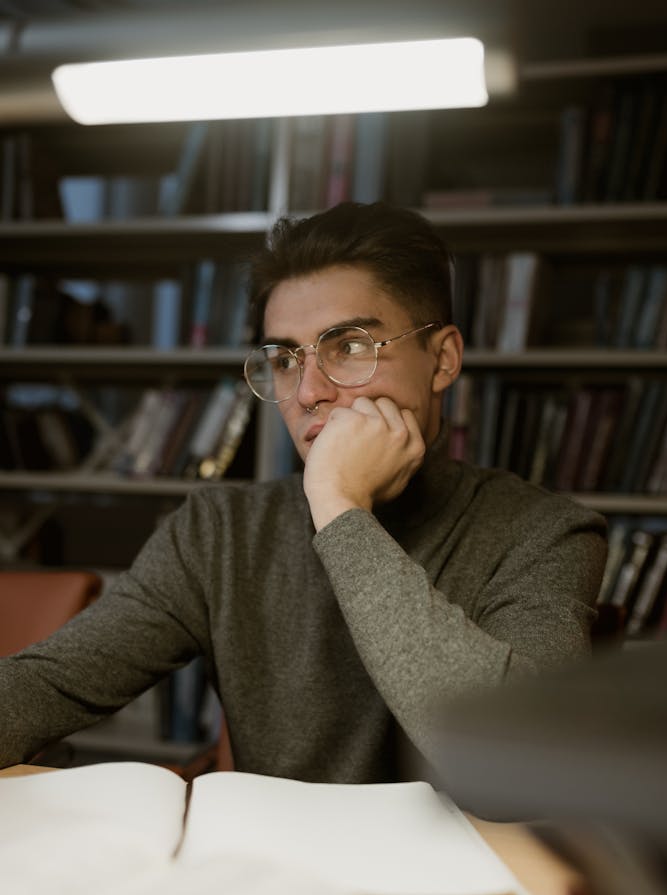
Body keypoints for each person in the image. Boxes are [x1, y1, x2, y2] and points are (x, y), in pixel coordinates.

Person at [0, 201, 607, 780]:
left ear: (443, 359)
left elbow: (514, 762)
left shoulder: (544, 533)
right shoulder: (217, 532)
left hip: (451, 886)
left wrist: (341, 509)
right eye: (286, 358)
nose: (309, 390)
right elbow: (48, 685)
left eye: (348, 347)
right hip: (271, 877)